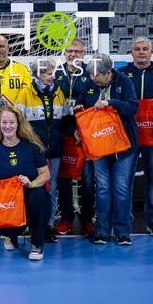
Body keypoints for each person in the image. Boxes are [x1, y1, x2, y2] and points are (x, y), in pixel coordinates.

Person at [73, 54, 138, 246]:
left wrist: (111, 103)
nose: (94, 79)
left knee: (121, 188)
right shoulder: (89, 84)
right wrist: (79, 113)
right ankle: (101, 230)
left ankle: (123, 231)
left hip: (123, 146)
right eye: (91, 75)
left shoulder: (123, 81)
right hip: (99, 144)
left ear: (108, 72)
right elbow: (81, 105)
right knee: (102, 188)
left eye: (97, 75)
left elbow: (132, 107)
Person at [117, 36, 153, 237]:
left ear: (151, 52)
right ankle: (125, 220)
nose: (141, 52)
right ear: (131, 52)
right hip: (128, 135)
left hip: (152, 134)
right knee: (124, 180)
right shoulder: (122, 73)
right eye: (137, 49)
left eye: (145, 49)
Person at [0, 105, 52, 261]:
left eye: (11, 122)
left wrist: (32, 183)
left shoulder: (32, 146)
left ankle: (37, 244)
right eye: (4, 122)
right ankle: (11, 236)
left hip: (28, 194)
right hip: (7, 198)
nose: (8, 126)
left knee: (39, 196)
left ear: (18, 123)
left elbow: (45, 174)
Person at [15, 57, 68, 244]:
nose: (52, 77)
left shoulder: (59, 92)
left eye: (53, 73)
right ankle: (32, 225)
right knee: (32, 188)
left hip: (54, 150)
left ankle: (48, 226)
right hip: (33, 152)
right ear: (38, 74)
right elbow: (18, 123)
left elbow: (66, 121)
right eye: (48, 73)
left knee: (51, 189)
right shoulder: (24, 93)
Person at [54, 39, 94, 237]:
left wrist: (81, 129)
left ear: (83, 53)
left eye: (77, 51)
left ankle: (87, 219)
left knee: (87, 180)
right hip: (62, 132)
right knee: (63, 178)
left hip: (86, 134)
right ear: (64, 53)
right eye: (69, 51)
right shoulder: (56, 73)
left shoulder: (91, 73)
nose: (73, 54)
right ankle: (66, 218)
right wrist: (71, 130)